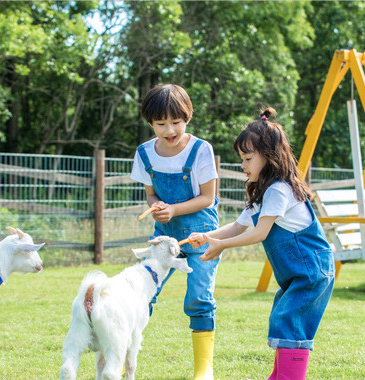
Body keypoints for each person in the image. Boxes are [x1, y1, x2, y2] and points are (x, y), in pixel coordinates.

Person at [187, 107, 335, 380]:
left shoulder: (279, 190)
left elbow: (259, 234)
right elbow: (238, 226)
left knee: (290, 323)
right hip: (298, 273)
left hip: (311, 271)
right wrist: (208, 237)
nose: (243, 165)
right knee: (284, 318)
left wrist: (221, 246)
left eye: (247, 158)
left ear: (268, 156)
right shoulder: (264, 192)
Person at [130, 84, 220, 380]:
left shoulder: (201, 150)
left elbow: (208, 197)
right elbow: (151, 195)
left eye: (175, 122)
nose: (169, 130)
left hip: (201, 236)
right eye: (160, 124)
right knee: (142, 296)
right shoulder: (144, 153)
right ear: (150, 122)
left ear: (187, 117)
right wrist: (157, 206)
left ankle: (203, 369)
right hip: (164, 241)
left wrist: (175, 209)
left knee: (198, 298)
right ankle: (124, 359)